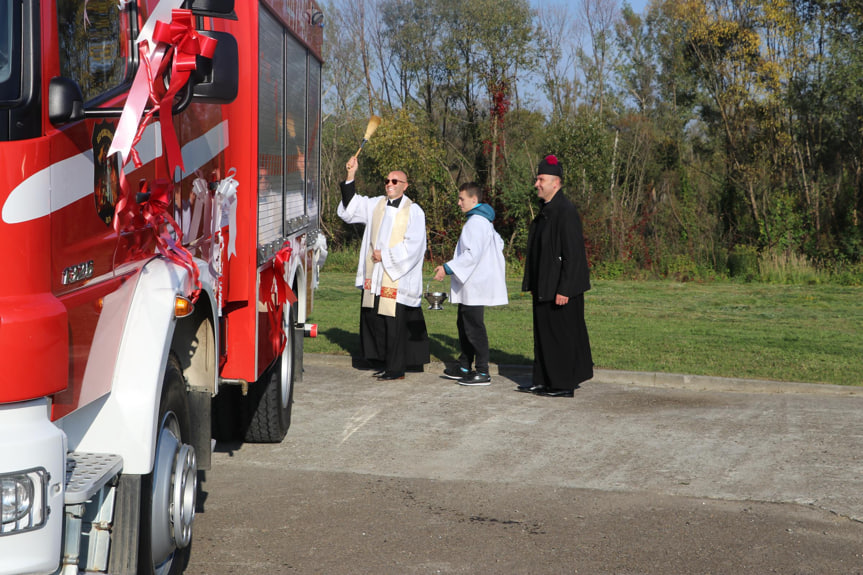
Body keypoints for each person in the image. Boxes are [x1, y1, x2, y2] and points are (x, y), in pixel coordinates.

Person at [338, 155, 430, 380]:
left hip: (396, 276)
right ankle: (384, 362)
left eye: (395, 181)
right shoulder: (375, 204)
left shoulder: (414, 211)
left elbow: (415, 245)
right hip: (377, 275)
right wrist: (351, 174)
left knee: (394, 323)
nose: (389, 184)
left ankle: (397, 368)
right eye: (387, 181)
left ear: (405, 186)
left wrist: (386, 256)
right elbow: (350, 209)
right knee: (377, 321)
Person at [520, 155, 593, 397]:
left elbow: (573, 254)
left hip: (560, 289)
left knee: (560, 336)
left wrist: (565, 289)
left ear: (556, 183)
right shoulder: (547, 210)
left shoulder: (565, 210)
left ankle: (562, 384)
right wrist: (532, 281)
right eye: (537, 179)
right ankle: (543, 379)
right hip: (544, 285)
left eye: (541, 179)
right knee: (543, 335)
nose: (536, 184)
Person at [433, 183, 508, 386]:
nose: (458, 203)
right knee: (464, 324)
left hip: (475, 284)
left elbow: (471, 255)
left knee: (474, 327)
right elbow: (498, 244)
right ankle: (465, 365)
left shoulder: (476, 222)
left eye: (461, 199)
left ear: (474, 200)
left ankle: (482, 371)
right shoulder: (484, 222)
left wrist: (447, 268)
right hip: (471, 284)